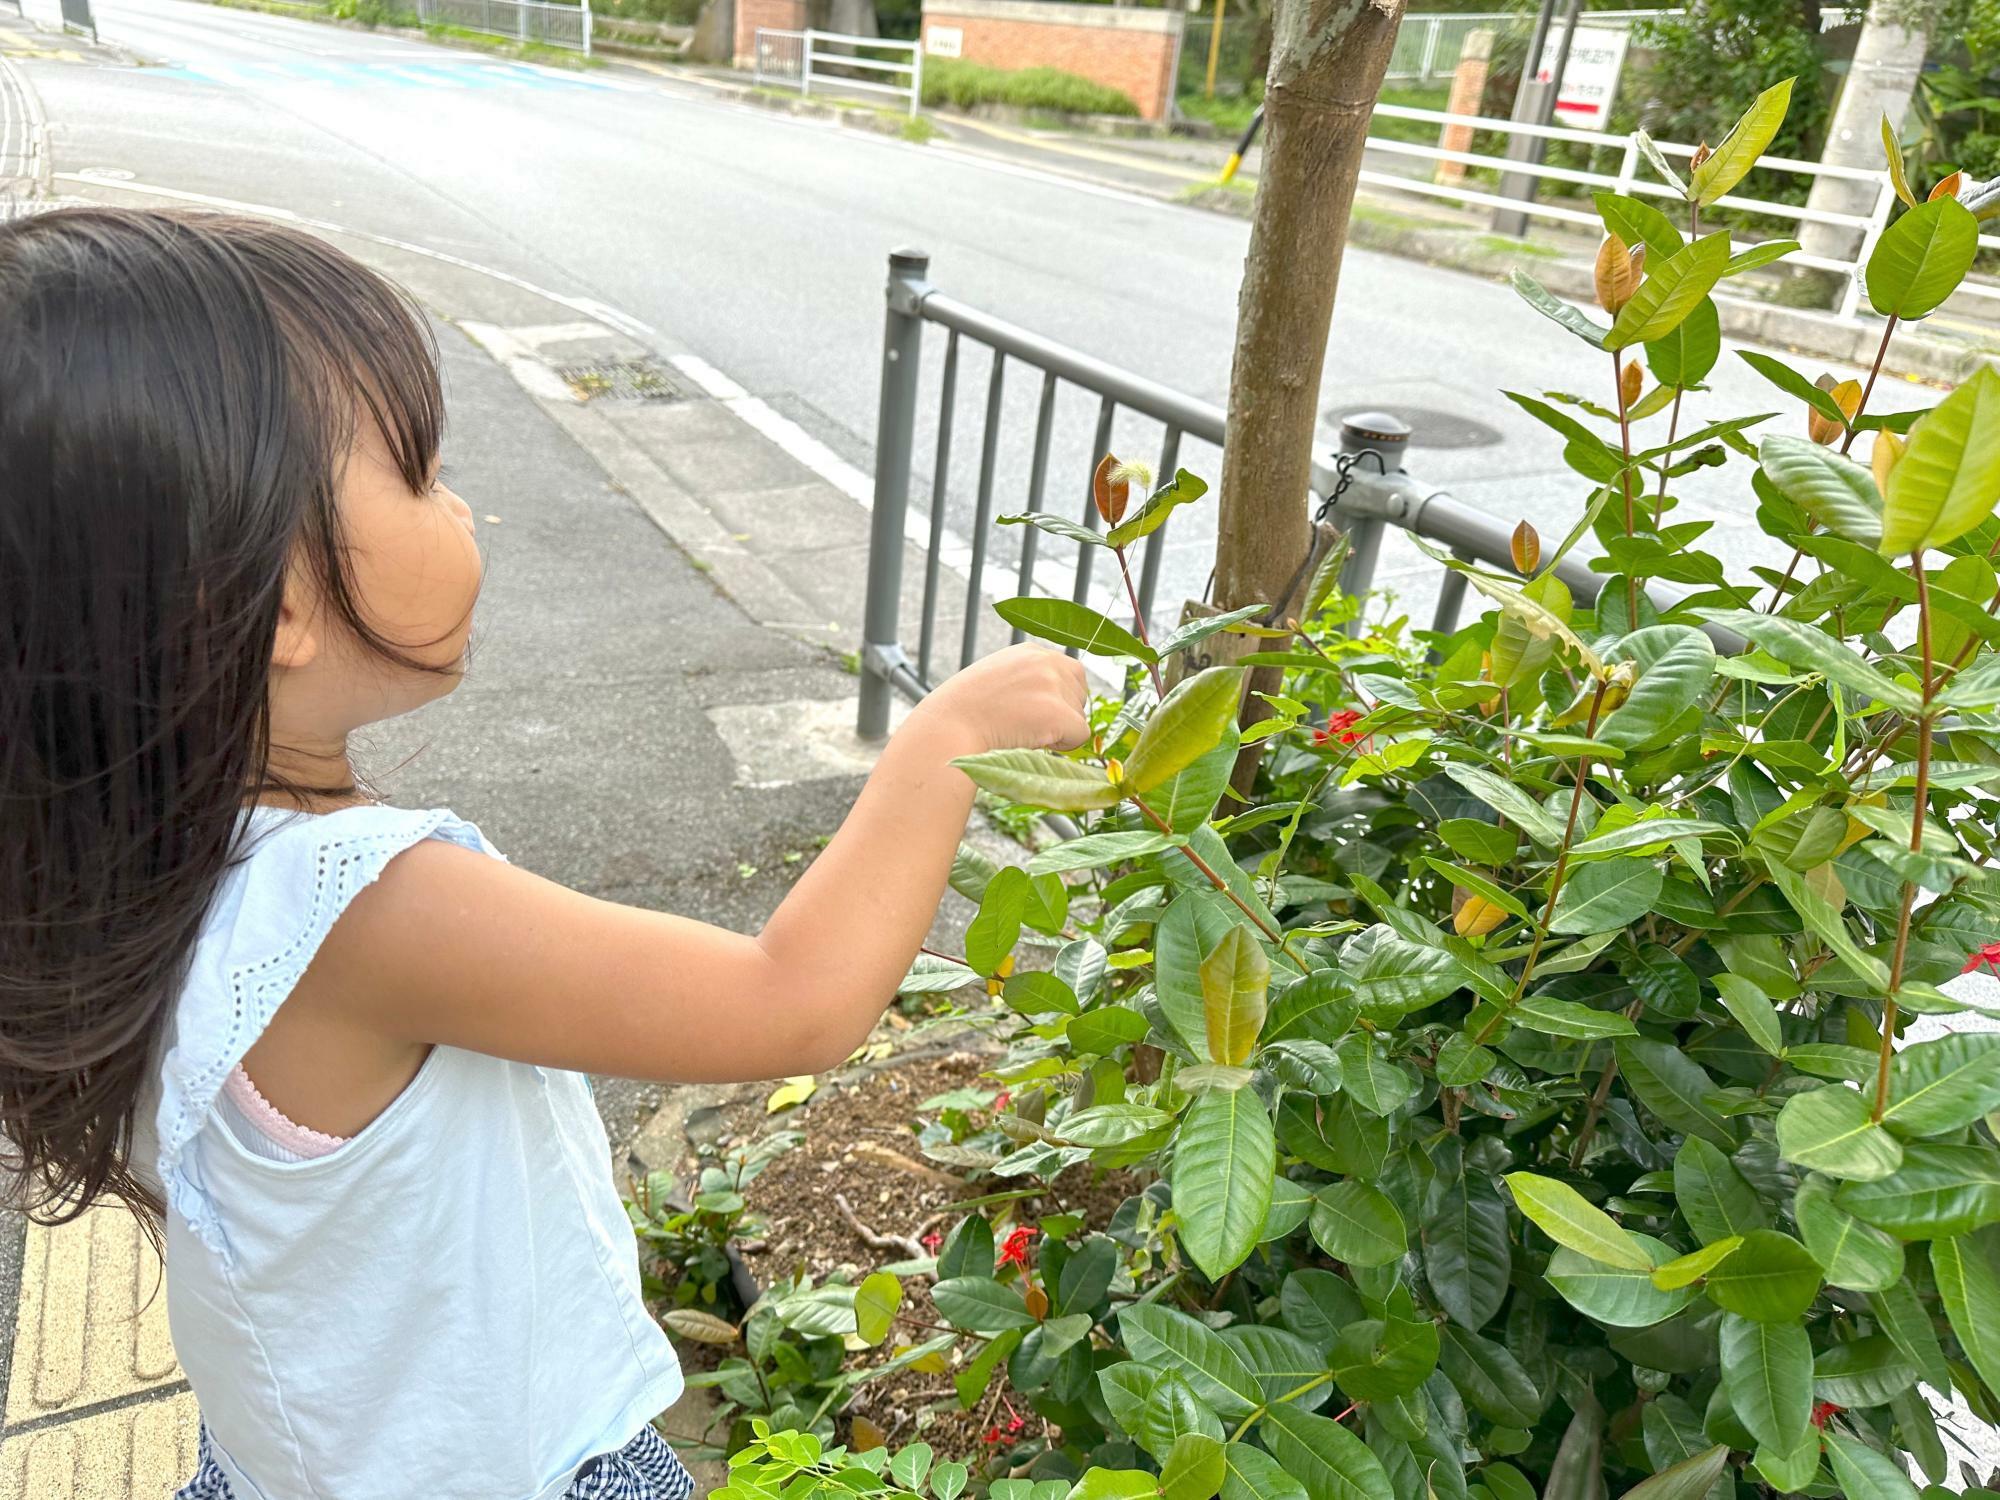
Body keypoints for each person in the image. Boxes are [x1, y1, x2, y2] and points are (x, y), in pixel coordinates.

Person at [0, 206, 1090, 1500]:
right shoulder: (357, 909)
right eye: (421, 473)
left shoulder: (115, 866)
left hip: (287, 1461)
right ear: (282, 604)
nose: (465, 507)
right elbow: (791, 1000)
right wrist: (945, 741)